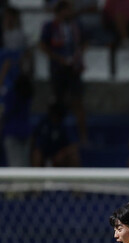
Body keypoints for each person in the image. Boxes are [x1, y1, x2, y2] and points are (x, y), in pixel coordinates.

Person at [39, 1, 87, 143]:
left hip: (74, 69)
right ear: (59, 12)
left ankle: (83, 137)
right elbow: (43, 45)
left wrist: (78, 55)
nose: (69, 13)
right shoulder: (50, 27)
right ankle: (55, 135)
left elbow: (85, 41)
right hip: (58, 69)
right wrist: (58, 59)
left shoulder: (77, 26)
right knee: (57, 103)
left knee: (77, 101)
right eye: (66, 10)